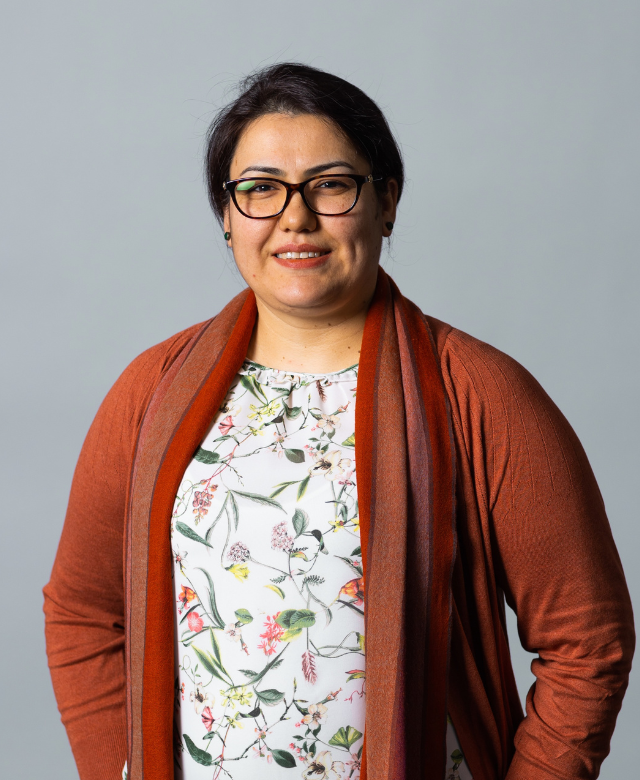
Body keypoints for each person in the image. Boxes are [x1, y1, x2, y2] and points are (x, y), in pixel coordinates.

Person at [43, 63, 634, 780]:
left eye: (330, 185)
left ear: (386, 202)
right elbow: (82, 611)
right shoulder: (151, 390)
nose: (295, 218)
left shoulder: (482, 394)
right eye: (260, 189)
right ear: (227, 217)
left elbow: (588, 640)